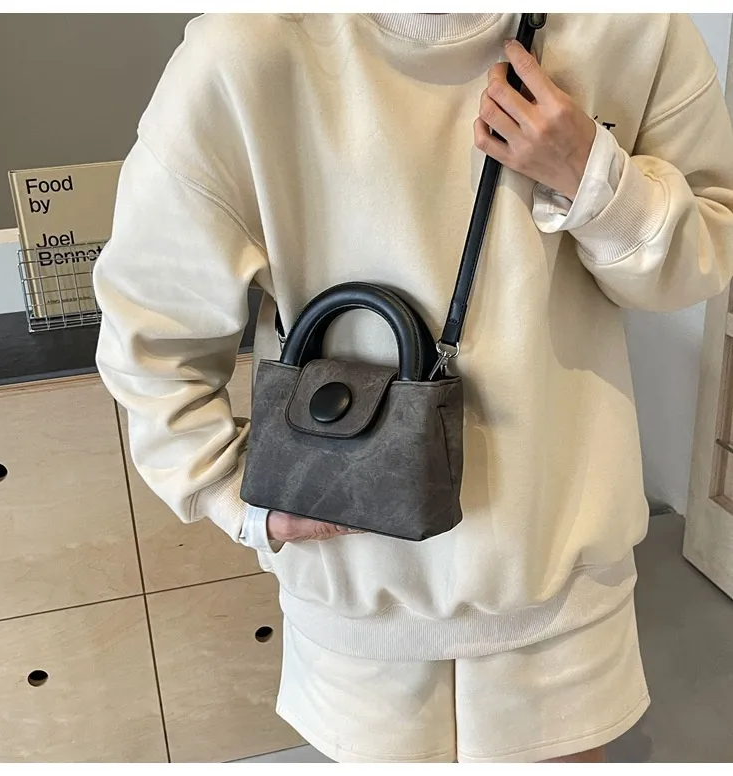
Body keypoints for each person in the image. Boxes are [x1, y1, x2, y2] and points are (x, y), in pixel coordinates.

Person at [94, 13, 733, 763]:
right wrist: (226, 489)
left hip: (563, 613)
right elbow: (150, 320)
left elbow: (706, 254)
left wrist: (593, 176)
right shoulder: (247, 47)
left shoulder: (632, 26)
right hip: (356, 613)